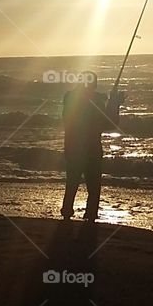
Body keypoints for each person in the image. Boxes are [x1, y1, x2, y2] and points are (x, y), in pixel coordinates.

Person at [60, 72, 124, 222]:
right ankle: (83, 214)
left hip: (77, 147)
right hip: (87, 148)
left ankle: (73, 212)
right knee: (89, 184)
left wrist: (113, 103)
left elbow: (108, 123)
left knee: (78, 182)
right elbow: (108, 123)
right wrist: (113, 103)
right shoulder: (76, 99)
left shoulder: (71, 98)